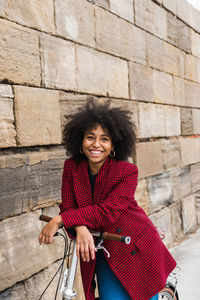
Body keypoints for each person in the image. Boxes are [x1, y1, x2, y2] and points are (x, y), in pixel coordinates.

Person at [38, 100, 176, 300]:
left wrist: (60, 220)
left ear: (113, 145)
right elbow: (68, 206)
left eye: (104, 139)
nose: (96, 144)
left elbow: (107, 211)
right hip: (103, 249)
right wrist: (80, 228)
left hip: (135, 247)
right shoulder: (71, 167)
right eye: (90, 137)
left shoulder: (127, 171)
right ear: (80, 141)